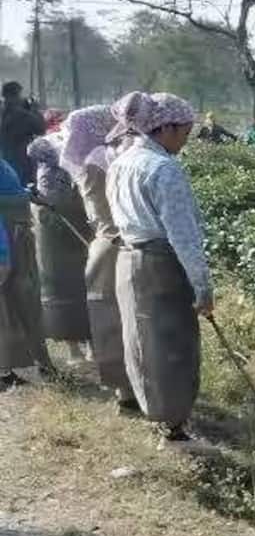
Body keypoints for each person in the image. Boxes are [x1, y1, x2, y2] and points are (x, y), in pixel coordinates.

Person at [105, 92, 209, 443]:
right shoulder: (164, 168)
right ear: (165, 127)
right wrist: (202, 287)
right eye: (185, 132)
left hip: (127, 260)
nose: (186, 139)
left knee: (141, 340)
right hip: (161, 264)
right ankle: (174, 426)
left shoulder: (121, 161)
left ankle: (154, 411)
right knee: (172, 344)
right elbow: (183, 235)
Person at [61, 105, 135, 409]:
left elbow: (99, 216)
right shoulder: (118, 156)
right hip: (130, 246)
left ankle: (125, 391)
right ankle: (143, 388)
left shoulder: (93, 163)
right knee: (133, 320)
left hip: (108, 248)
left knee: (111, 321)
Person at [26, 134, 92, 364]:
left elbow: (54, 204)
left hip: (60, 245)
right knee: (75, 291)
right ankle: (80, 348)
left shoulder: (50, 173)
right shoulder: (64, 171)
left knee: (71, 291)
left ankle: (81, 348)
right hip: (63, 244)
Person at [0, 158, 49, 387]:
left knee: (24, 300)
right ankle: (9, 370)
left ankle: (36, 362)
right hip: (10, 239)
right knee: (17, 300)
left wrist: (25, 193)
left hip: (15, 235)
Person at [1, 82, 42, 188]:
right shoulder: (21, 114)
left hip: (4, 159)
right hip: (20, 159)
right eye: (20, 95)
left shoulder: (4, 111)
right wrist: (35, 110)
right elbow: (40, 129)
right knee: (21, 187)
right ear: (14, 96)